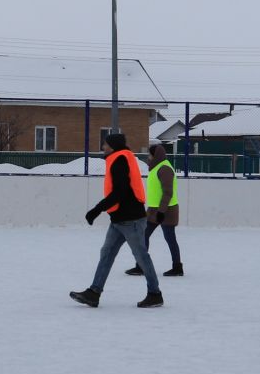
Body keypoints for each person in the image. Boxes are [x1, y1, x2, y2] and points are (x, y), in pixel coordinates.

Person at [70, 131, 162, 309]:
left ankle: (155, 294)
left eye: (105, 144)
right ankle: (94, 293)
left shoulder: (119, 161)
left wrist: (97, 209)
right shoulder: (121, 158)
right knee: (106, 254)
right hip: (120, 220)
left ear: (112, 146)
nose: (103, 147)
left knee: (141, 257)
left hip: (132, 220)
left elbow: (119, 192)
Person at [127, 140, 184, 277]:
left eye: (150, 155)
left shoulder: (164, 169)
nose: (148, 157)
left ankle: (177, 267)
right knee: (143, 235)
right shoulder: (156, 167)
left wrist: (161, 212)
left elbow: (168, 192)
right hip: (154, 210)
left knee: (170, 238)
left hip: (166, 211)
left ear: (156, 156)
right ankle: (141, 266)